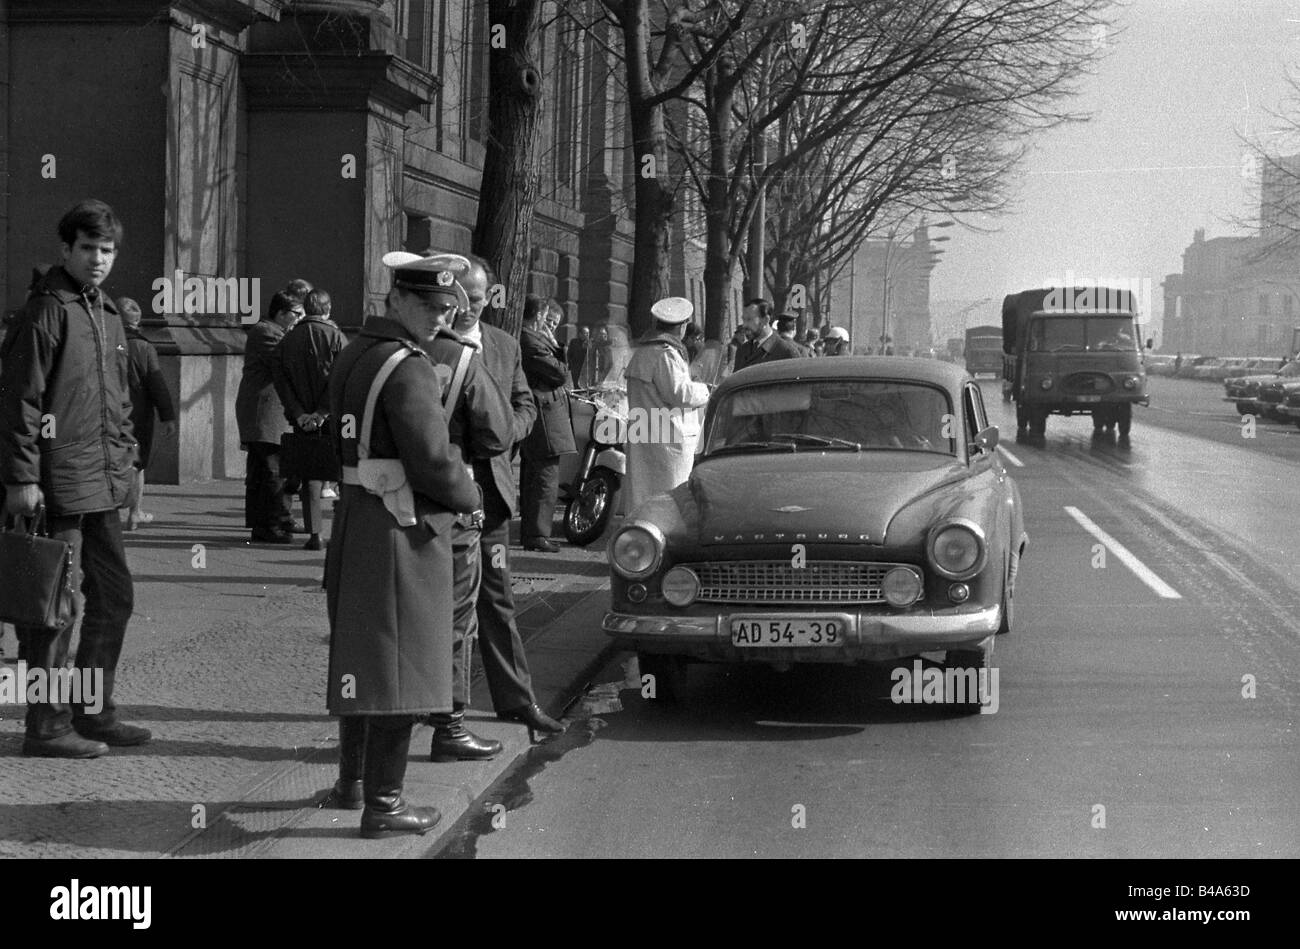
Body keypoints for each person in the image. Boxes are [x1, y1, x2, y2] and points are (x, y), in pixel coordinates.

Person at [321, 251, 483, 837]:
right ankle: (384, 807)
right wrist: (470, 497)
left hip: (355, 521)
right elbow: (435, 461)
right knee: (400, 667)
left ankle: (352, 783)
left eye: (447, 307)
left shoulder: (355, 352)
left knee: (360, 659)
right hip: (401, 526)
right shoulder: (410, 366)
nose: (440, 317)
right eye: (430, 306)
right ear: (397, 300)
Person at [0, 199, 152, 758]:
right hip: (56, 484)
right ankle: (45, 726)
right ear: (66, 250)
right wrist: (21, 477)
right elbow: (19, 400)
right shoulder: (48, 310)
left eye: (107, 249)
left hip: (102, 483)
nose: (98, 258)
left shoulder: (108, 314)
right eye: (87, 248)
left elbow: (119, 401)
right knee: (53, 607)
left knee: (115, 597)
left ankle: (92, 710)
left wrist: (130, 462)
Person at [453, 256, 565, 736]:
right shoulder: (429, 349)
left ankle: (517, 703)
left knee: (497, 602)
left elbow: (525, 403)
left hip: (492, 497)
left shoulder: (503, 345)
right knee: (448, 608)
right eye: (460, 300)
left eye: (477, 300)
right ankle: (443, 714)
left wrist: (507, 434)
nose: (468, 310)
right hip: (445, 498)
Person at [272, 288, 347, 551]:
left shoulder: (288, 340)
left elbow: (281, 381)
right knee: (340, 470)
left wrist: (299, 413)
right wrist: (323, 412)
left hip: (300, 419)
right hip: (333, 418)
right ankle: (340, 532)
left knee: (310, 476)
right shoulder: (337, 337)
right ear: (328, 310)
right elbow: (342, 378)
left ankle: (315, 534)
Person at [623, 297, 712, 512]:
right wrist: (706, 389)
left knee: (643, 492)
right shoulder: (666, 354)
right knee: (670, 497)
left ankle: (641, 532)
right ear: (681, 327)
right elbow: (680, 394)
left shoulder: (642, 352)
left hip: (645, 430)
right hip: (668, 438)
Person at [236, 290, 304, 543]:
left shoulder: (275, 331)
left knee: (271, 468)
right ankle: (268, 526)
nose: (299, 319)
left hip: (270, 410)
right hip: (264, 411)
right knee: (271, 470)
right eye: (296, 314)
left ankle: (278, 518)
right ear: (281, 313)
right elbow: (288, 361)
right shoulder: (266, 332)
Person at [519, 296, 576, 553]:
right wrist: (558, 351)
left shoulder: (534, 340)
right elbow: (560, 374)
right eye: (546, 317)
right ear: (539, 316)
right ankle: (537, 534)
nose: (547, 323)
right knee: (545, 476)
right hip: (544, 411)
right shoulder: (530, 341)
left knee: (538, 474)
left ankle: (533, 532)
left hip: (545, 409)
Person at [116, 297, 177, 530]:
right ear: (138, 322)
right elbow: (157, 383)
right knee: (137, 464)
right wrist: (168, 416)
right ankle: (134, 513)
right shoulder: (144, 347)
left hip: (109, 413)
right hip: (138, 414)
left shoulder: (103, 342)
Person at [733, 298, 804, 371]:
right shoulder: (742, 350)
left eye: (749, 319)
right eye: (743, 319)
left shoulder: (787, 352)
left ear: (765, 320)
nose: (744, 325)